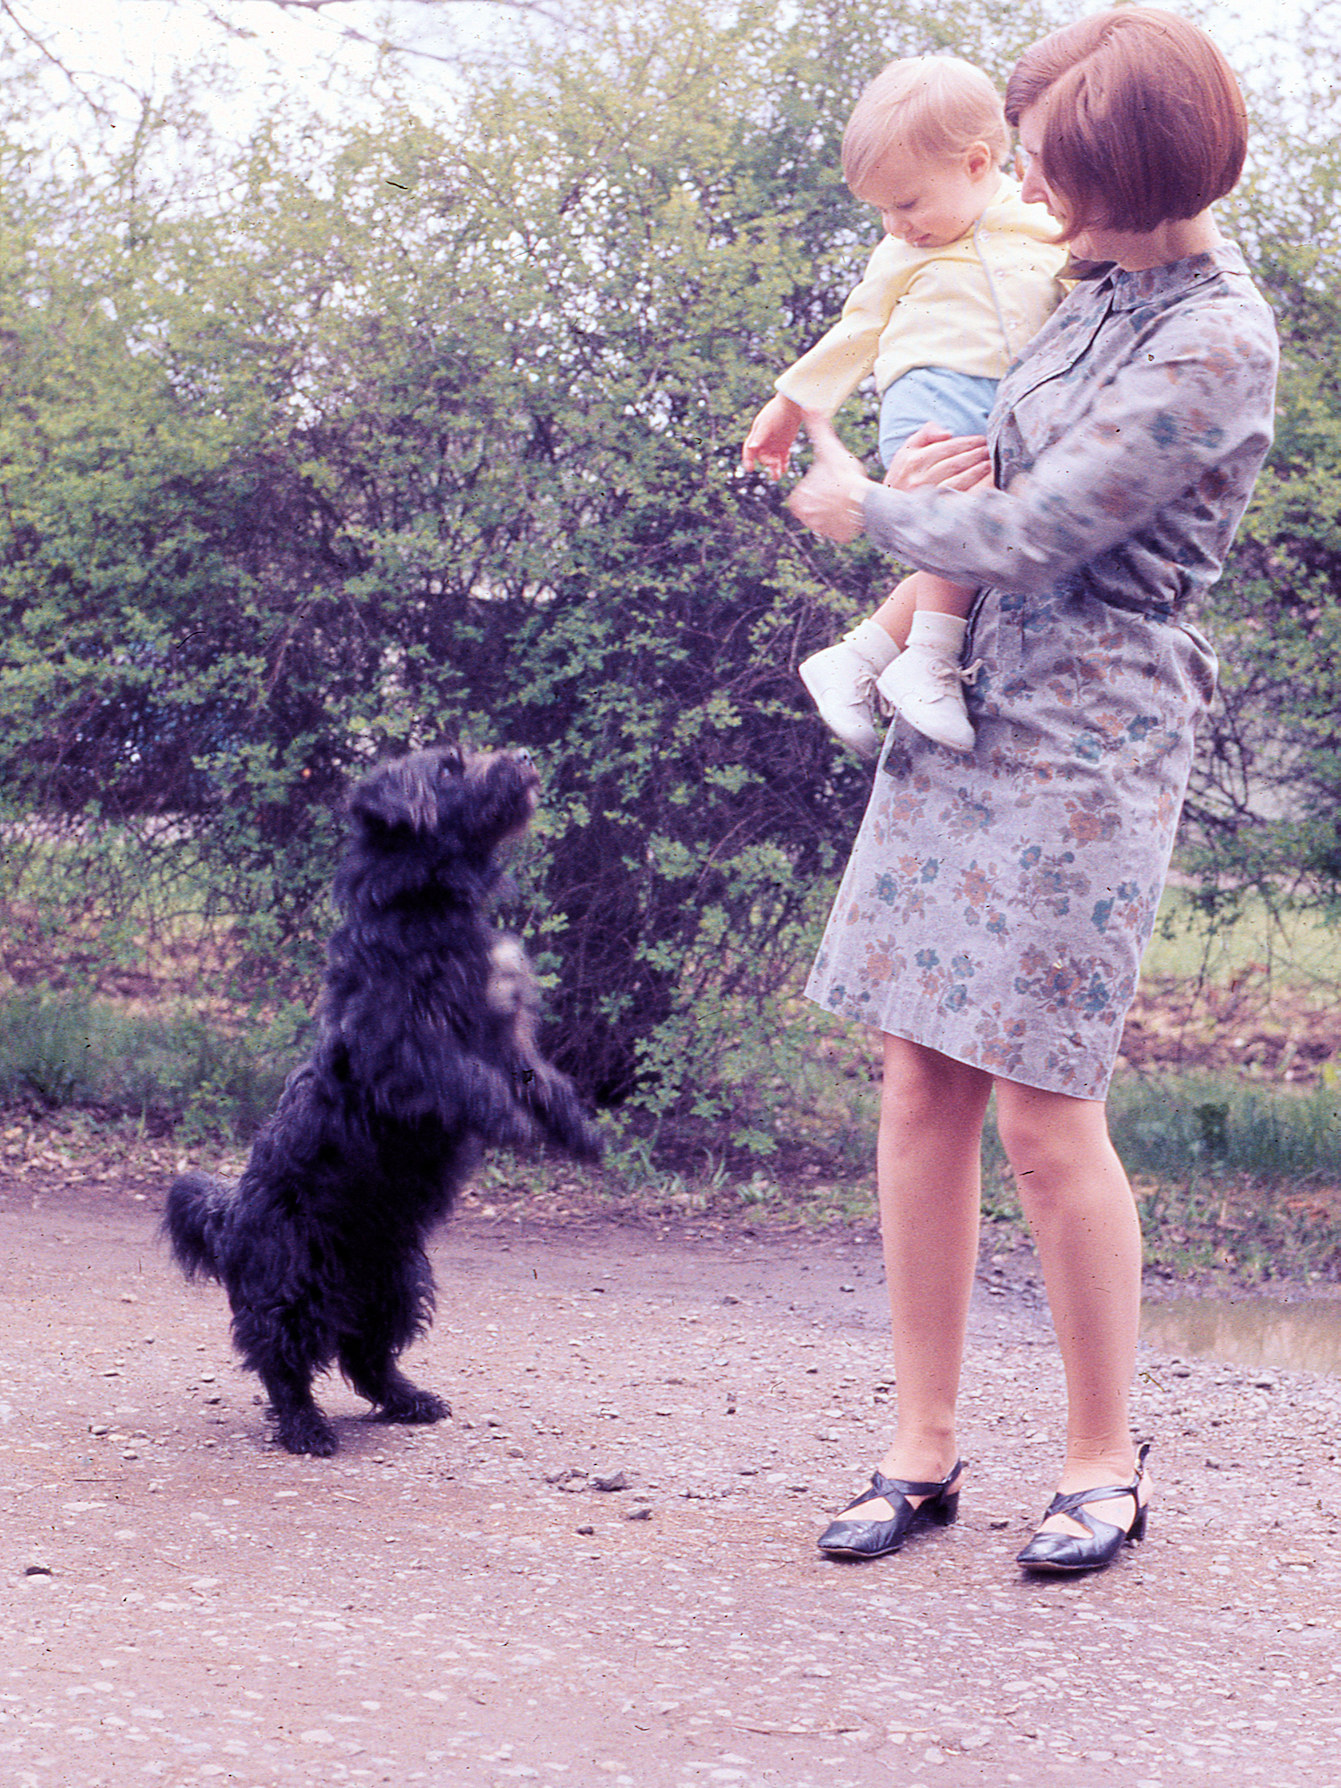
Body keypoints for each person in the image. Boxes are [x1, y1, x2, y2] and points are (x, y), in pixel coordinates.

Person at [785, 8, 1278, 1574]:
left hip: (1089, 726)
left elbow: (1037, 531)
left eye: (1059, 171)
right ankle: (919, 1448)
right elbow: (986, 452)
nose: (1036, 197)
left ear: (1131, 173)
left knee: (1047, 1107)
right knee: (917, 1078)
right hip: (975, 689)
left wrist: (865, 509)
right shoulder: (1082, 277)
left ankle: (1100, 1464)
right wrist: (909, 460)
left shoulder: (1214, 338)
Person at [742, 55, 1067, 756]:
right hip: (932, 388)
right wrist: (789, 404)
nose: (893, 225)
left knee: (966, 537)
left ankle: (855, 657)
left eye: (906, 203)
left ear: (977, 164)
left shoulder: (1038, 223)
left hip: (1002, 401)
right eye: (881, 210)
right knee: (961, 516)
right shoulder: (900, 254)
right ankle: (928, 661)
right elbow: (856, 329)